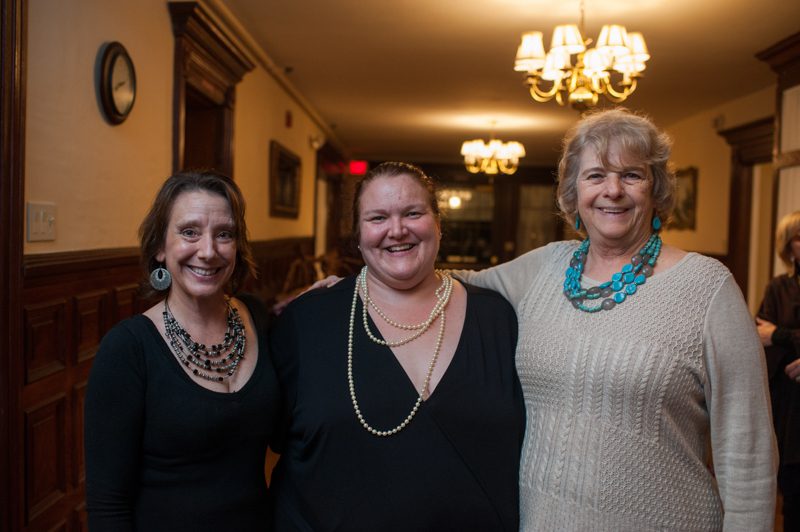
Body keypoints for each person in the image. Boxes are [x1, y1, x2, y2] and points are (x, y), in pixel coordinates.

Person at [452, 109, 777, 530]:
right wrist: (370, 269)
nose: (613, 190)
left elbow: (748, 451)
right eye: (595, 176)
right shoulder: (542, 269)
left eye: (631, 175)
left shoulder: (707, 288)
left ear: (656, 189)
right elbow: (451, 284)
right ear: (573, 193)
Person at [269, 161, 525, 530]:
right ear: (358, 234)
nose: (397, 230)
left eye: (413, 213)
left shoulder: (497, 318)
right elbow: (268, 438)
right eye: (377, 218)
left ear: (438, 224)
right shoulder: (307, 320)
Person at [84, 170, 280, 531]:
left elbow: (288, 430)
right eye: (189, 232)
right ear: (160, 246)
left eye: (224, 234)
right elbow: (107, 504)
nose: (208, 251)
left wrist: (326, 302)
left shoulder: (256, 315)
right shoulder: (128, 349)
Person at [757, 210, 800, 530]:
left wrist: (782, 335)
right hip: (788, 404)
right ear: (788, 247)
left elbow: (774, 336)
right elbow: (761, 340)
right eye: (799, 237)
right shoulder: (777, 289)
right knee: (791, 495)